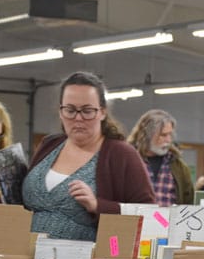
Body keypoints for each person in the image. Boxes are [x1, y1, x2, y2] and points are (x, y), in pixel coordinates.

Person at [22, 72, 154, 240]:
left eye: (87, 110)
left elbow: (150, 214)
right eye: (70, 110)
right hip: (27, 258)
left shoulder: (122, 155)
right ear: (60, 111)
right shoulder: (49, 145)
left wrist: (98, 206)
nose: (78, 118)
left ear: (102, 112)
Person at [127, 109, 194, 206]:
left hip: (168, 221)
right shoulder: (127, 161)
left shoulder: (179, 166)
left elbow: (189, 203)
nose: (168, 140)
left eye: (170, 134)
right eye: (163, 135)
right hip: (135, 220)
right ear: (147, 135)